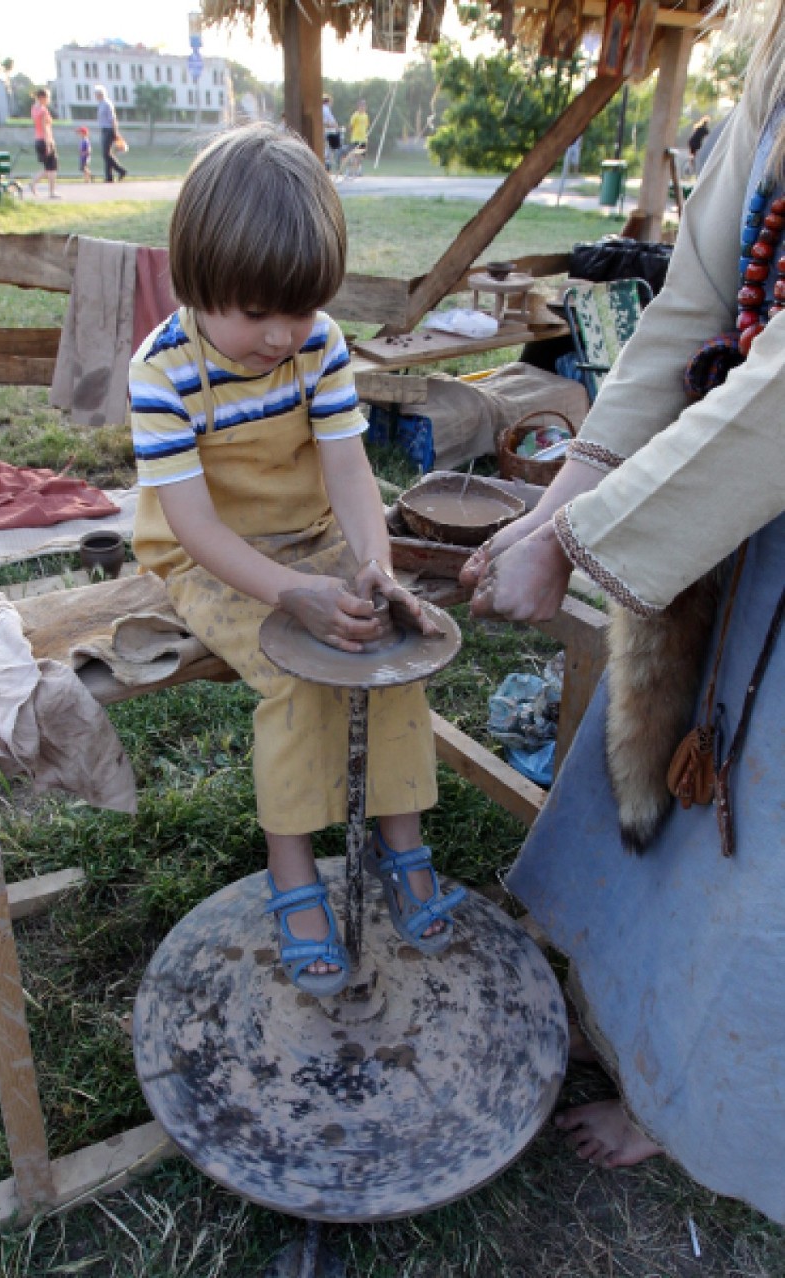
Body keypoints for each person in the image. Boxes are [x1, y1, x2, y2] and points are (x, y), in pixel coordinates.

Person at [461, 0, 785, 1226]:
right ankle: (639, 1028)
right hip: (738, 499)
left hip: (755, 467)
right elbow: (697, 299)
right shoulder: (779, 54)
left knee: (771, 860)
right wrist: (565, 503)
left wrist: (580, 541)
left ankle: (699, 1100)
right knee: (686, 794)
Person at [129, 123, 465, 999]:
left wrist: (373, 567)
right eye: (256, 313)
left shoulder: (321, 344)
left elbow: (352, 471)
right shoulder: (160, 373)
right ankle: (292, 871)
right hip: (208, 555)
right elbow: (195, 527)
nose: (282, 336)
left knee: (388, 652)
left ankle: (402, 844)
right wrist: (296, 596)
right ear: (197, 282)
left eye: (301, 310)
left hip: (307, 531)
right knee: (294, 673)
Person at [29, 88, 60, 199]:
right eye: (48, 98)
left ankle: (34, 183)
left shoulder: (34, 109)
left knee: (48, 168)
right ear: (42, 98)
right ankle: (51, 192)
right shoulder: (43, 110)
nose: (49, 100)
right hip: (45, 140)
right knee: (52, 167)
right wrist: (48, 143)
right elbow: (45, 127)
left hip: (38, 139)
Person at [94, 85, 126, 182]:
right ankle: (109, 176)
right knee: (106, 154)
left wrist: (116, 132)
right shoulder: (100, 104)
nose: (95, 96)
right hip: (104, 129)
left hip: (109, 130)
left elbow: (113, 119)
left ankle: (121, 170)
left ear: (101, 94)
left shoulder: (107, 104)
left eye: (96, 94)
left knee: (106, 154)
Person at [345, 97, 370, 175]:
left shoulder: (366, 116)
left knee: (361, 156)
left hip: (363, 139)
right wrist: (352, 132)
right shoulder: (355, 115)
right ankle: (350, 170)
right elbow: (351, 126)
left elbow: (366, 126)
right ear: (358, 107)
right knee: (354, 155)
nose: (363, 107)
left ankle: (358, 170)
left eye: (364, 106)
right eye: (361, 106)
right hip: (356, 139)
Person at [322, 94, 340, 171]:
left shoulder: (326, 109)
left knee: (327, 151)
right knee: (328, 151)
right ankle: (327, 165)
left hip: (327, 132)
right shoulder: (325, 109)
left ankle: (327, 165)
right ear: (328, 101)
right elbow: (326, 122)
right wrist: (335, 126)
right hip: (327, 133)